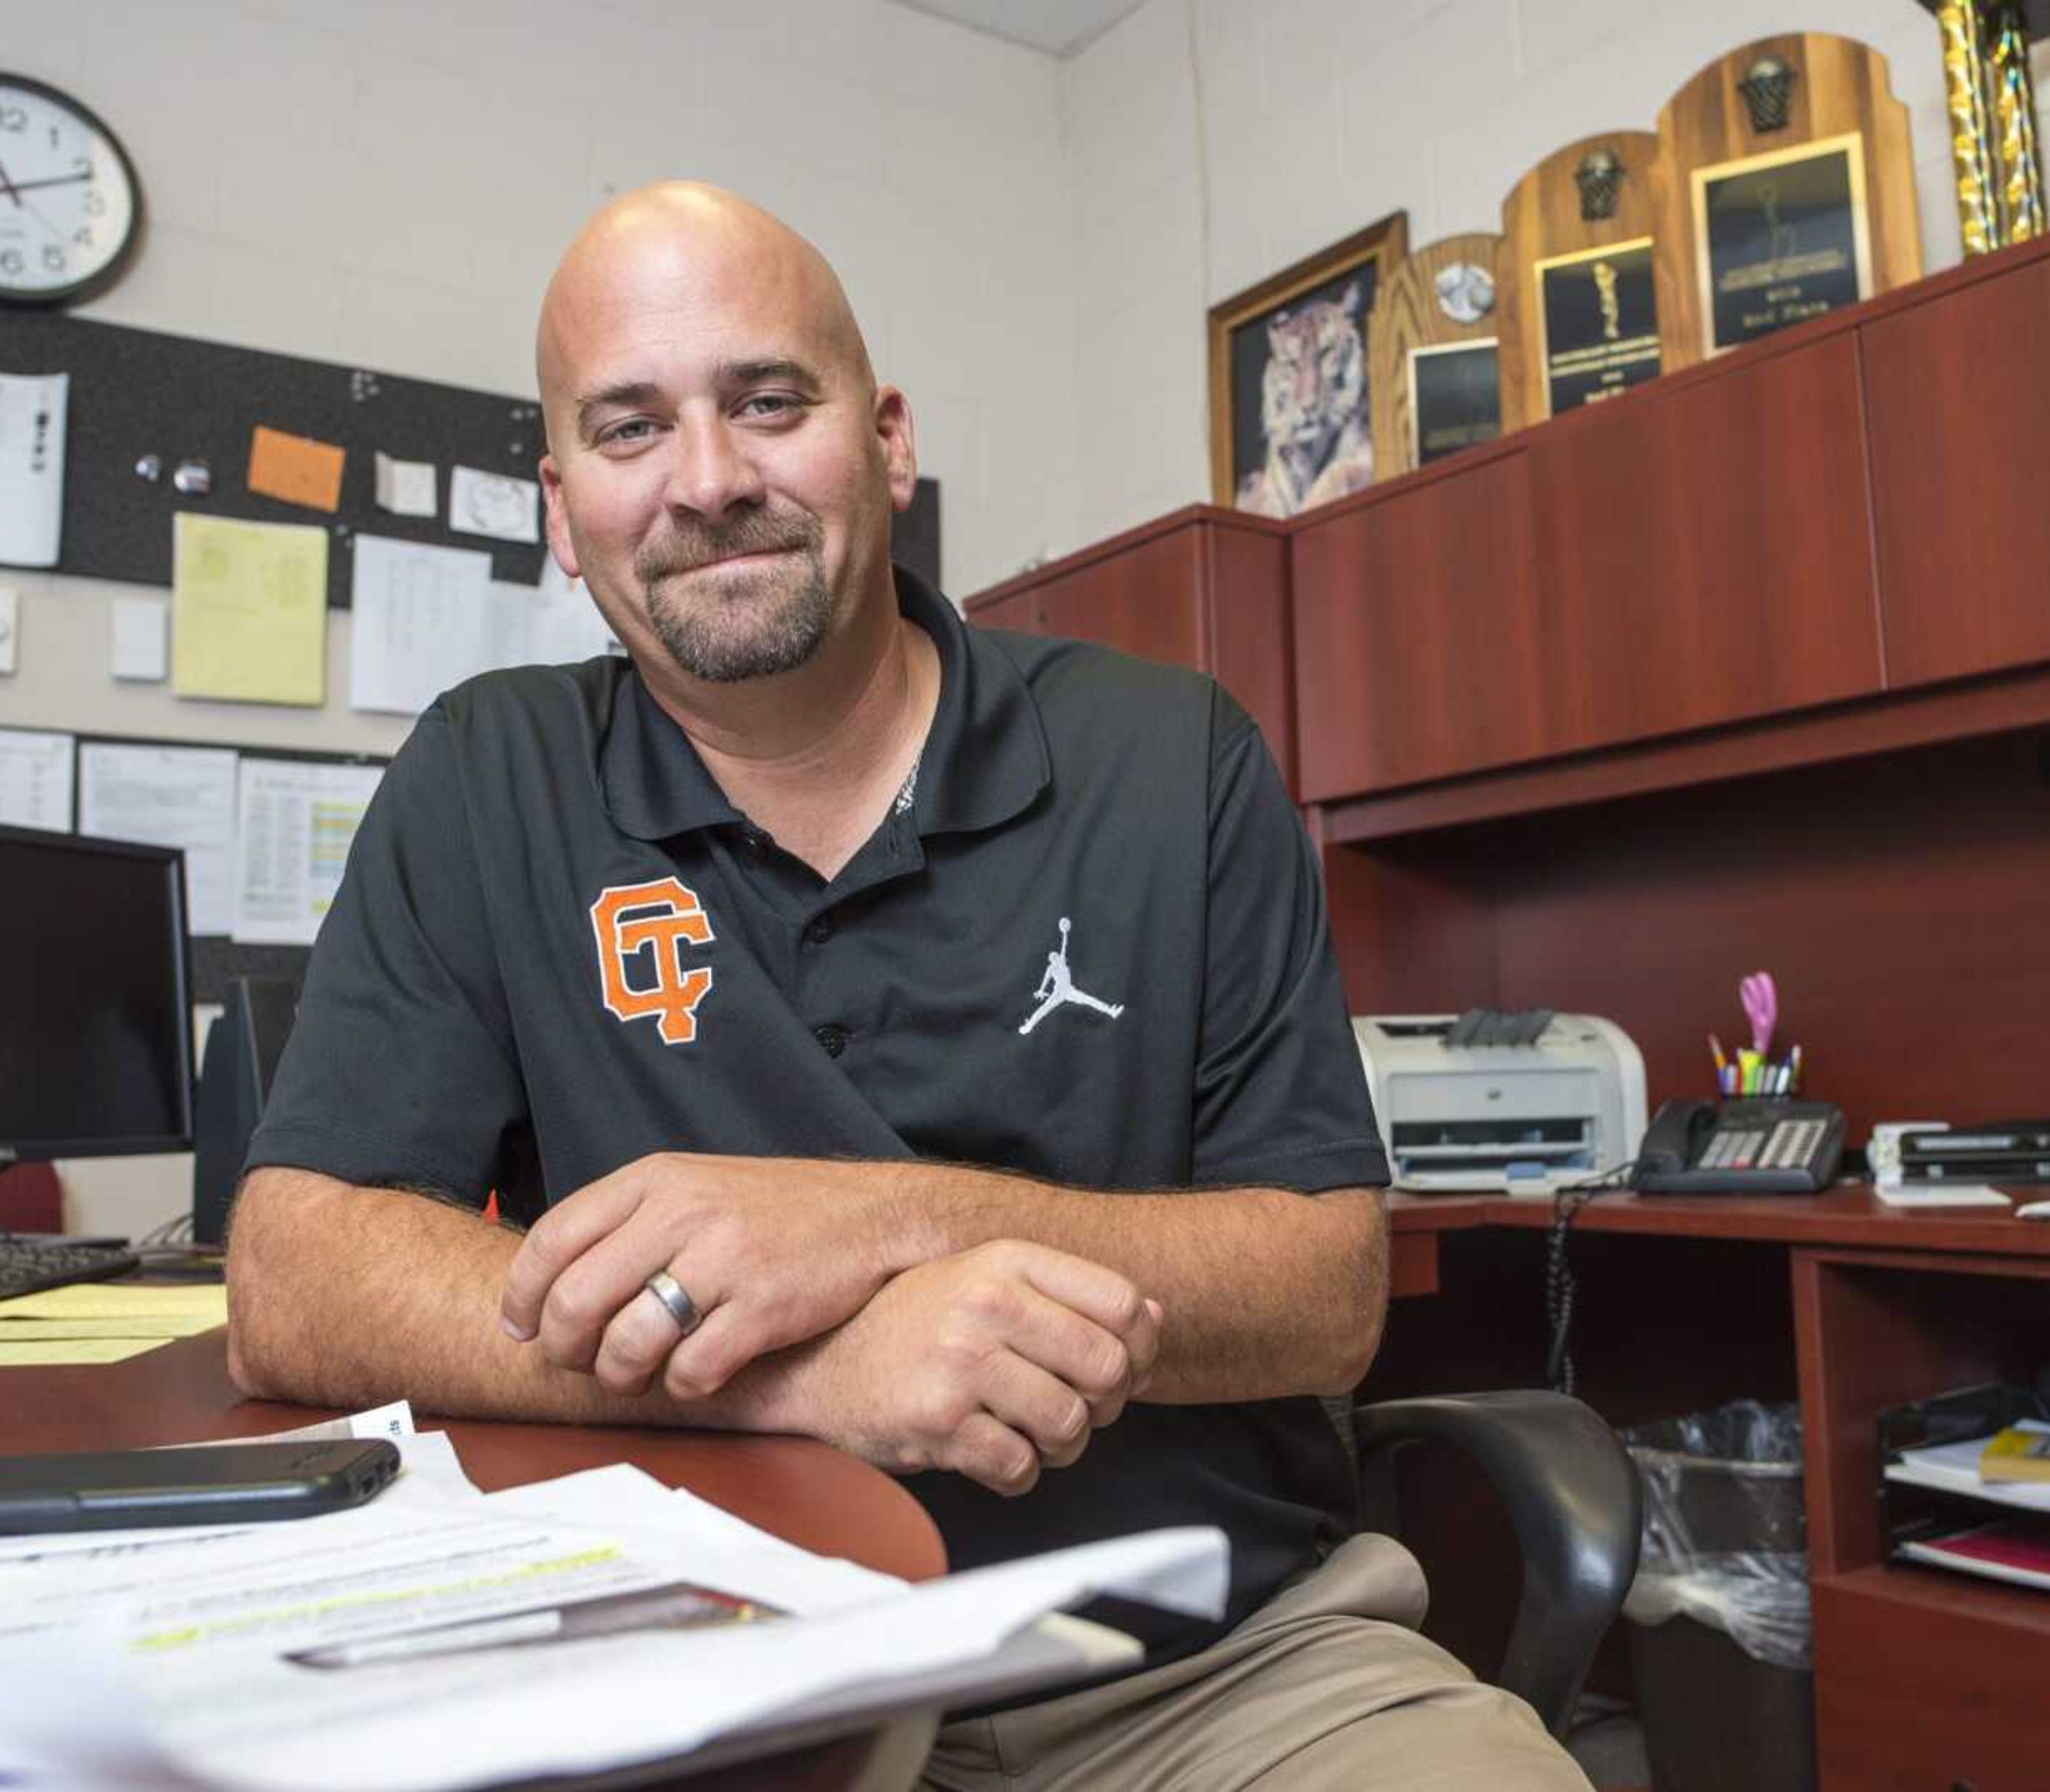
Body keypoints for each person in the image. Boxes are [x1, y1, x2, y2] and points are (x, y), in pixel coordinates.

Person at [225, 183, 1587, 1791]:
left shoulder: (1168, 757)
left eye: (767, 404)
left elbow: (1325, 1293)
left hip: (1199, 1668)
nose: (709, 482)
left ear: (885, 441)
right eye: (629, 429)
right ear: (559, 504)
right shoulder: (485, 775)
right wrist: (809, 1379)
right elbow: (294, 1276)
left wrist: (883, 1222)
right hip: (704, 1672)